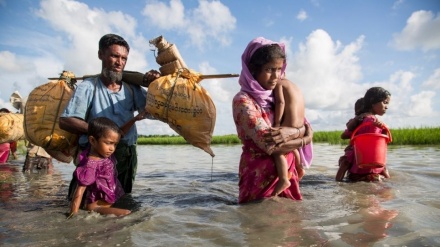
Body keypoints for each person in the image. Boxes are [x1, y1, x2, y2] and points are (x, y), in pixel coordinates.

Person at [59, 33, 160, 197]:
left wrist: (156, 86)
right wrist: (102, 133)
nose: (120, 63)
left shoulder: (132, 89)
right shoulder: (88, 87)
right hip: (95, 155)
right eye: (114, 56)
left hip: (126, 155)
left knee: (121, 199)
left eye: (124, 58)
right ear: (101, 55)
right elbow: (65, 121)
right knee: (83, 200)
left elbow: (155, 113)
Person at [232, 37, 313, 203]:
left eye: (279, 69)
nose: (276, 76)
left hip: (288, 173)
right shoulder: (243, 100)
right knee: (258, 221)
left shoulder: (276, 95)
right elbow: (271, 144)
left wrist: (299, 131)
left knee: (290, 223)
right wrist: (305, 137)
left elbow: (298, 123)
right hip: (259, 174)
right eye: (269, 69)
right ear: (253, 70)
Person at [68, 117, 137, 218]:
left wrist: (134, 119)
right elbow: (79, 191)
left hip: (108, 202)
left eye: (115, 144)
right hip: (96, 207)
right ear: (92, 140)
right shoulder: (91, 164)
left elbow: (121, 133)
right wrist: (73, 215)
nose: (112, 148)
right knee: (128, 214)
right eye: (108, 143)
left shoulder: (104, 155)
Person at [345, 87, 391, 182]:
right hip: (369, 165)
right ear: (373, 102)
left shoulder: (362, 118)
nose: (387, 106)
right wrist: (384, 129)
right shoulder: (372, 121)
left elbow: (347, 131)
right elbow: (378, 143)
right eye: (385, 102)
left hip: (357, 165)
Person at [272, 78, 306, 195]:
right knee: (292, 147)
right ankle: (299, 166)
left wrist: (277, 122)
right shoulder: (295, 86)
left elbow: (280, 102)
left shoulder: (279, 83)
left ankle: (283, 179)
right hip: (300, 126)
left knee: (278, 150)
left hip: (289, 125)